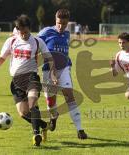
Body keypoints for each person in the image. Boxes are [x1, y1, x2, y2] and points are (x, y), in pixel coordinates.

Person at [0, 15, 57, 146]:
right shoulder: (11, 41)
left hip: (31, 77)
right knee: (23, 113)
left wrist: (53, 75)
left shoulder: (37, 41)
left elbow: (49, 58)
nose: (23, 35)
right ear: (17, 30)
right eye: (21, 32)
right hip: (16, 81)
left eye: (25, 32)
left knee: (33, 102)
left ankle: (36, 134)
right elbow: (2, 58)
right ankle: (44, 125)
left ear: (29, 29)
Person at [38, 9, 88, 139]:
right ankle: (54, 116)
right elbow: (34, 43)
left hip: (64, 68)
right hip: (47, 70)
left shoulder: (67, 33)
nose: (61, 26)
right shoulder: (46, 32)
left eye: (64, 24)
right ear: (55, 20)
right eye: (59, 23)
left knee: (69, 95)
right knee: (50, 100)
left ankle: (80, 129)